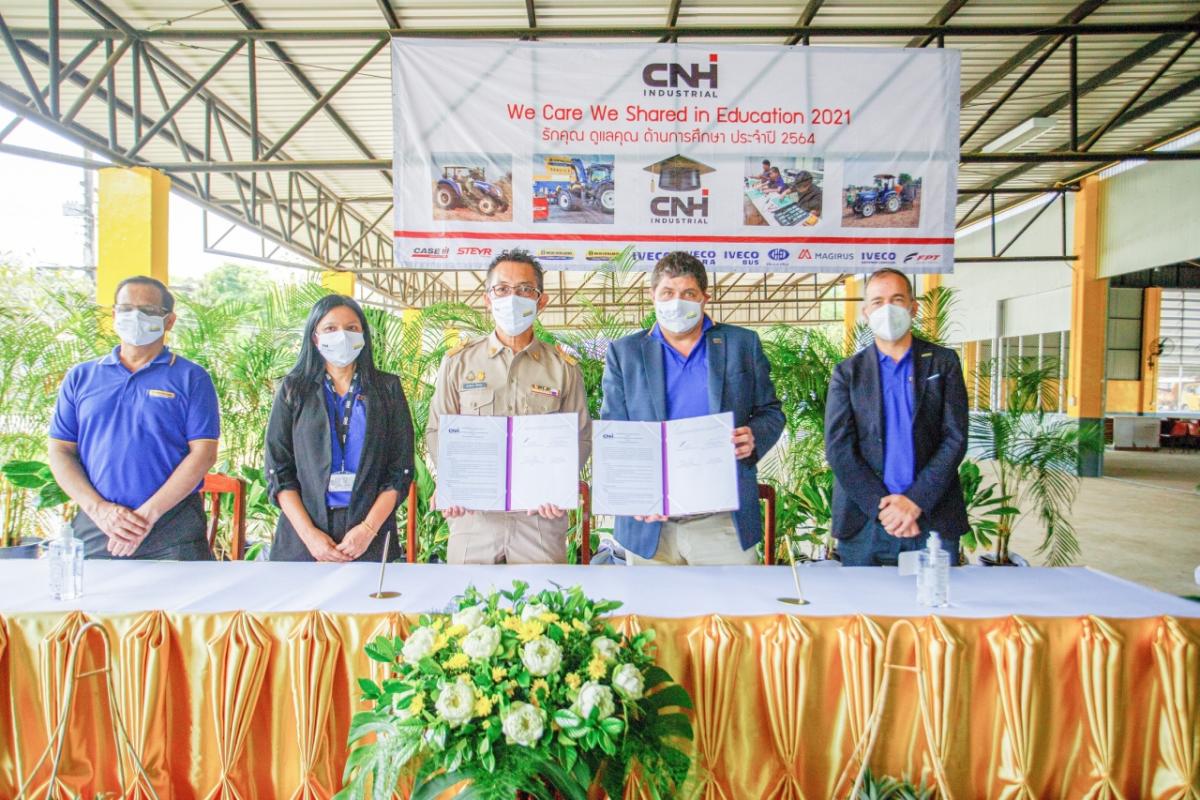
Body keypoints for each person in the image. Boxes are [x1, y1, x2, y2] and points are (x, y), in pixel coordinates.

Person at [601, 252, 785, 565]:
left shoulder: (742, 344)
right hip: (651, 524)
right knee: (653, 615)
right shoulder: (625, 353)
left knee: (732, 613)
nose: (677, 302)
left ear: (705, 298)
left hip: (722, 521)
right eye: (668, 293)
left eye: (688, 294)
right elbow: (615, 431)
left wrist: (755, 436)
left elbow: (771, 411)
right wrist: (635, 494)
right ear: (653, 296)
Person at [426, 249, 590, 564]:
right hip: (474, 516)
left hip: (539, 518)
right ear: (488, 299)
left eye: (525, 290)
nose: (512, 298)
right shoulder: (458, 362)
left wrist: (558, 484)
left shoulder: (563, 367)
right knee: (467, 607)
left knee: (543, 608)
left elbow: (581, 435)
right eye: (502, 289)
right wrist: (451, 481)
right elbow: (438, 429)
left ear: (541, 301)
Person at [48, 276, 219, 560]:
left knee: (178, 605)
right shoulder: (81, 377)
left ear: (169, 321)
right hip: (97, 526)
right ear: (114, 316)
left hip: (172, 530)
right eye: (126, 309)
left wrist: (146, 517)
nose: (136, 317)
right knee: (90, 604)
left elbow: (203, 454)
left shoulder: (191, 378)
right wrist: (100, 510)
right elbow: (61, 450)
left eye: (149, 311)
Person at [824, 268, 969, 566]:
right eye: (877, 302)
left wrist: (914, 501)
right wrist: (885, 509)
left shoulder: (943, 363)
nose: (887, 309)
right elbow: (838, 448)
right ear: (866, 313)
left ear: (913, 307)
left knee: (932, 610)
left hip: (931, 516)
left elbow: (955, 437)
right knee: (863, 610)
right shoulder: (847, 373)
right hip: (866, 522)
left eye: (897, 299)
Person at [265, 295, 415, 562]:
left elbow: (400, 470)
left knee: (366, 605)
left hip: (369, 536)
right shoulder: (293, 390)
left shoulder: (387, 389)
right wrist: (310, 535)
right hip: (304, 539)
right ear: (314, 337)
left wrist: (367, 530)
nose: (342, 336)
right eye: (331, 329)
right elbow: (278, 470)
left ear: (364, 336)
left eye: (352, 328)